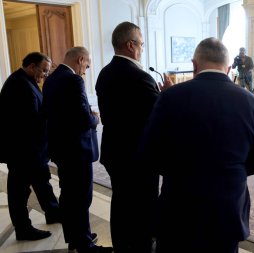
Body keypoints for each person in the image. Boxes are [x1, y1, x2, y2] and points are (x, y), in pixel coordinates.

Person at [137, 37, 254, 253]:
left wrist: (179, 173)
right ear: (228, 69)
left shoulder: (170, 96)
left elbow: (149, 153)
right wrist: (231, 172)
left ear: (194, 65)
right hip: (228, 207)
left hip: (179, 205)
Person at [95, 21, 172, 253]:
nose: (142, 48)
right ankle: (141, 245)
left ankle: (121, 244)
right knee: (143, 204)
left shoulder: (105, 73)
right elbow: (157, 116)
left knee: (120, 201)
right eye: (141, 44)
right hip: (137, 155)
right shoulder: (138, 76)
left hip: (114, 151)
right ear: (130, 45)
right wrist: (166, 95)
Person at [42, 47, 112, 253]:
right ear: (81, 59)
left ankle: (75, 237)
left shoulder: (51, 79)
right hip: (76, 150)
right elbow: (83, 118)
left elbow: (53, 112)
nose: (86, 70)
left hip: (61, 149)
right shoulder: (73, 80)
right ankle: (84, 245)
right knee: (81, 198)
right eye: (87, 65)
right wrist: (96, 118)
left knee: (69, 195)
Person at [0, 52, 60, 240]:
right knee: (19, 191)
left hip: (33, 149)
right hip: (23, 150)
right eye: (43, 70)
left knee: (42, 182)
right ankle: (23, 229)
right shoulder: (18, 85)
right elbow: (29, 120)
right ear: (32, 66)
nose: (45, 75)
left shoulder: (25, 80)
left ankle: (53, 212)